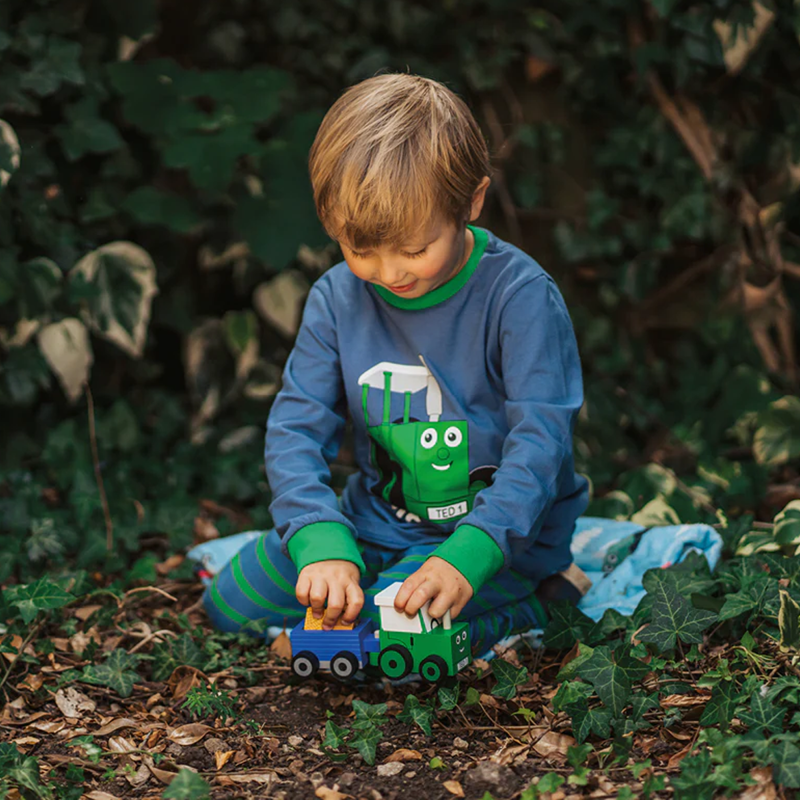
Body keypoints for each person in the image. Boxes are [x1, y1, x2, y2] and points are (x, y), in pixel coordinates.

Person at [203, 73, 590, 655]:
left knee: (394, 639)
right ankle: (370, 593)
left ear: (472, 202)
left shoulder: (519, 297)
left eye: (413, 250)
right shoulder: (336, 299)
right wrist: (322, 541)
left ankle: (541, 597)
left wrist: (469, 555)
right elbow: (295, 428)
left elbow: (542, 442)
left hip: (498, 534)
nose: (388, 273)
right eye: (360, 250)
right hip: (375, 520)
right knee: (230, 606)